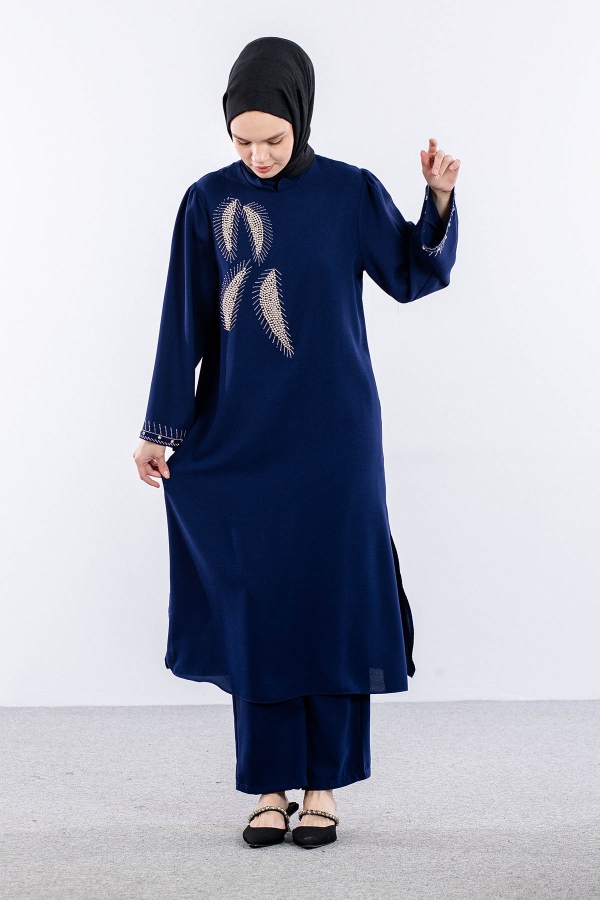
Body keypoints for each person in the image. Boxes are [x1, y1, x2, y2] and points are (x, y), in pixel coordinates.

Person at [133, 36, 460, 849]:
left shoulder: (349, 192)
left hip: (335, 439)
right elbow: (183, 324)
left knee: (331, 601)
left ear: (301, 119)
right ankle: (268, 788)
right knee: (259, 608)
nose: (258, 155)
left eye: (273, 139)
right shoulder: (207, 202)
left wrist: (438, 200)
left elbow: (411, 273)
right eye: (243, 140)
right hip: (241, 437)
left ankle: (323, 788)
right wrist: (160, 428)